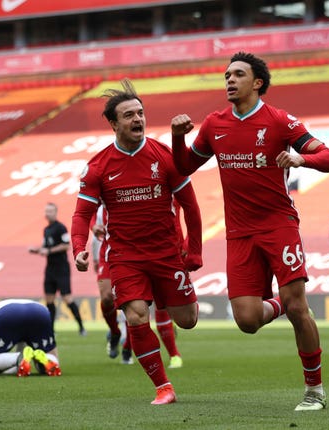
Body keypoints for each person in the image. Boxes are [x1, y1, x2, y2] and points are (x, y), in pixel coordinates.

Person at [170, 51, 329, 411]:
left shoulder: (279, 121)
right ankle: (282, 300)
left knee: (299, 309)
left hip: (279, 226)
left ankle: (315, 391)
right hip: (239, 233)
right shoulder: (214, 124)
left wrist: (300, 158)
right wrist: (176, 138)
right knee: (247, 320)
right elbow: (185, 165)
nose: (229, 80)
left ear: (257, 83)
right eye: (227, 75)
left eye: (238, 75)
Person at [71, 79, 202, 405]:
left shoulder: (164, 156)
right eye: (129, 115)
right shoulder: (98, 167)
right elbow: (81, 215)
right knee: (136, 317)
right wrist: (79, 248)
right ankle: (163, 387)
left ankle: (163, 299)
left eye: (140, 113)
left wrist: (194, 248)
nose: (137, 119)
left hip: (167, 253)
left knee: (187, 320)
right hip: (126, 256)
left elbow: (190, 205)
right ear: (114, 124)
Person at [92, 204, 184, 368]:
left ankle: (171, 354)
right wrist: (92, 228)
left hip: (144, 247)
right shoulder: (106, 182)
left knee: (144, 303)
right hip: (111, 249)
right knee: (107, 298)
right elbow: (88, 207)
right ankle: (115, 332)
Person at [0, 299, 61, 377]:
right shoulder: (2, 307)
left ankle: (17, 359)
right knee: (51, 357)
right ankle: (44, 358)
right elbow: (23, 345)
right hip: (41, 311)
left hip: (8, 313)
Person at [29, 202, 85, 335]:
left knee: (67, 298)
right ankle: (51, 330)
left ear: (55, 212)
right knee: (49, 299)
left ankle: (81, 327)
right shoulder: (46, 230)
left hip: (62, 269)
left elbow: (66, 245)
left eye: (50, 211)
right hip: (50, 269)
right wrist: (36, 250)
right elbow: (45, 248)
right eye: (46, 211)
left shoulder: (61, 228)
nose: (48, 213)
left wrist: (49, 251)